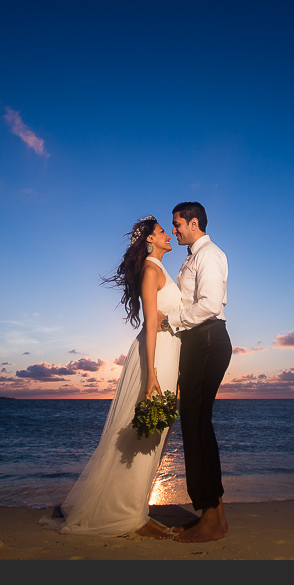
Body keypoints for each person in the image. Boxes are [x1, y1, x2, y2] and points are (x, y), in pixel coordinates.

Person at [39, 215, 181, 539]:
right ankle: (129, 514)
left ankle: (134, 507)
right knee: (143, 436)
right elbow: (149, 326)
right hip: (156, 358)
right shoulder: (150, 270)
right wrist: (151, 375)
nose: (168, 234)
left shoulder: (160, 269)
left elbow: (166, 318)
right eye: (162, 231)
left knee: (157, 435)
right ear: (149, 240)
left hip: (171, 356)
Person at [158, 201, 232, 543]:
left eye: (177, 224)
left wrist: (170, 321)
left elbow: (210, 305)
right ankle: (213, 514)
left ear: (193, 222)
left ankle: (210, 518)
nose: (173, 229)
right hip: (199, 340)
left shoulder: (209, 254)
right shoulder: (192, 256)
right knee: (196, 422)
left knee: (194, 422)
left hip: (206, 339)